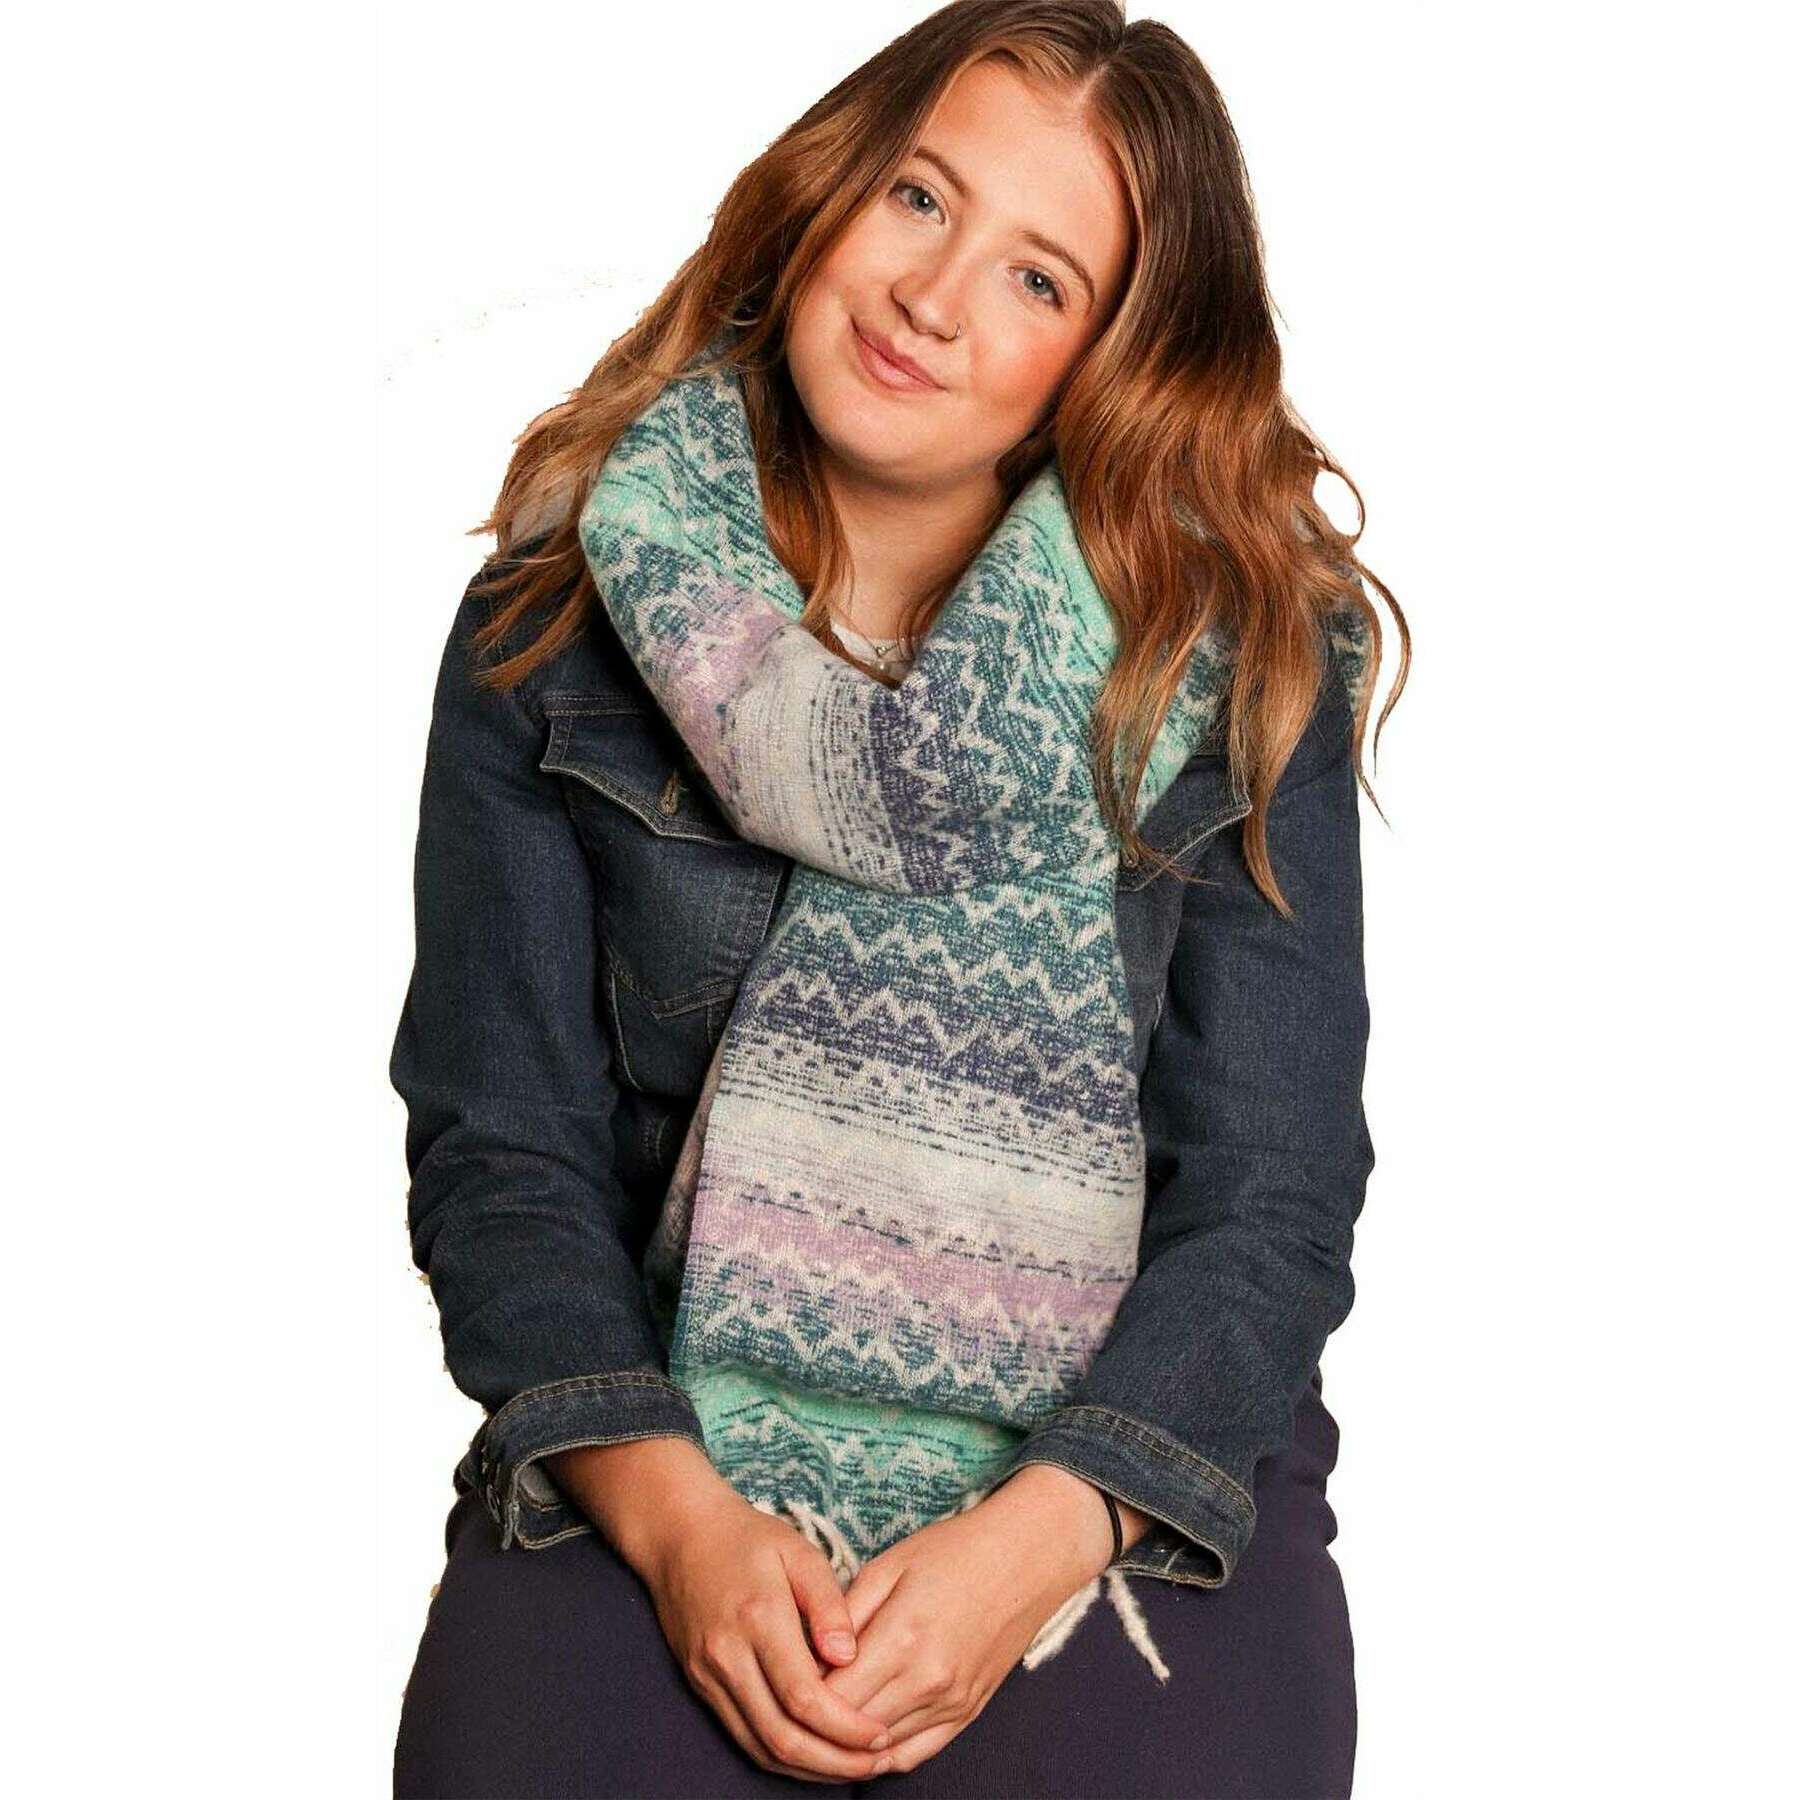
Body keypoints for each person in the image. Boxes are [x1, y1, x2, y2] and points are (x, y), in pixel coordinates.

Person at [389, 3, 1407, 1794]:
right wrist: (685, 1533)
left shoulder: (1237, 652)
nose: (933, 297)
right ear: (829, 190)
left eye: (1039, 277)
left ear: (1108, 359)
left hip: (1121, 1461)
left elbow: (1270, 1194)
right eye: (921, 198)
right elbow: (504, 1149)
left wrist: (1033, 1540)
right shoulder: (554, 621)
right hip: (660, 1429)